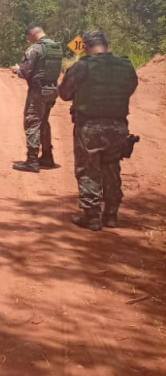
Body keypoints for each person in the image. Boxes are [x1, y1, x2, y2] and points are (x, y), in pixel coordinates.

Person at [58, 29, 139, 231]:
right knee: (111, 168)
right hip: (118, 126)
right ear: (106, 44)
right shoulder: (125, 65)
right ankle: (111, 215)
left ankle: (92, 216)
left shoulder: (82, 66)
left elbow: (65, 94)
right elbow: (130, 87)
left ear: (86, 46)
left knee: (88, 169)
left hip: (89, 126)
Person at [11, 24, 64, 172]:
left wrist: (16, 70)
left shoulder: (35, 49)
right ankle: (47, 156)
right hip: (52, 89)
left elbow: (25, 72)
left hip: (38, 91)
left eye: (28, 37)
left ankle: (32, 160)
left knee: (32, 121)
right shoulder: (57, 48)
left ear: (31, 34)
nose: (28, 40)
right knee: (44, 122)